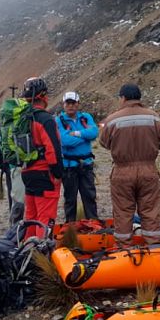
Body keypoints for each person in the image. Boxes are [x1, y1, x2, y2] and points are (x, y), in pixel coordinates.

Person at [99, 83, 160, 245]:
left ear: (123, 98)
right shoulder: (153, 117)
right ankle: (155, 247)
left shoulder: (113, 119)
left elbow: (104, 143)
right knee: (150, 210)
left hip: (122, 172)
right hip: (148, 170)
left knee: (123, 212)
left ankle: (124, 251)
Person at [18, 77, 63, 240]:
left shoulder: (22, 119)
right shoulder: (45, 119)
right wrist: (58, 174)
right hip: (45, 174)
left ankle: (25, 252)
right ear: (43, 96)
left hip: (27, 173)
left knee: (30, 218)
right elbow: (52, 149)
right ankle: (40, 257)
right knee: (45, 219)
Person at [56, 91, 99, 222]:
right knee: (70, 199)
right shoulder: (58, 121)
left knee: (90, 196)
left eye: (73, 103)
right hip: (69, 167)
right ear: (63, 104)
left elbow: (95, 132)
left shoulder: (86, 117)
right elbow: (65, 141)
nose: (70, 106)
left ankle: (93, 223)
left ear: (78, 104)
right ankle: (71, 226)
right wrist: (85, 137)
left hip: (86, 165)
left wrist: (75, 133)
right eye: (68, 103)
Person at [0, 129, 25, 226]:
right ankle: (18, 226)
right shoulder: (3, 131)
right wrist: (5, 167)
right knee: (17, 199)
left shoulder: (3, 130)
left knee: (15, 198)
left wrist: (5, 167)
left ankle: (16, 226)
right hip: (15, 169)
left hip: (13, 170)